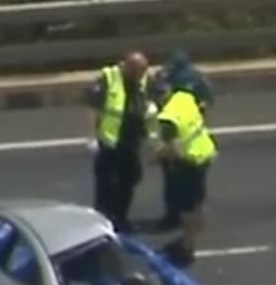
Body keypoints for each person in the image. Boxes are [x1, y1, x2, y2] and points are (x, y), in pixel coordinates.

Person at [84, 52, 152, 233]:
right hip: (109, 141)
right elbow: (92, 107)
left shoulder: (144, 81)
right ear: (127, 67)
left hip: (131, 140)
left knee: (130, 178)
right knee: (106, 183)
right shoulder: (108, 78)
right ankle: (103, 220)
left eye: (142, 72)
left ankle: (121, 217)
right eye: (136, 72)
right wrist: (91, 136)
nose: (139, 76)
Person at [152, 82, 217, 267]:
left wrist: (157, 157)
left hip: (189, 162)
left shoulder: (167, 118)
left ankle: (188, 247)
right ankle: (190, 238)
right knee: (197, 202)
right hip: (204, 152)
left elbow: (173, 150)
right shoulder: (184, 97)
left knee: (187, 208)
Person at [151, 50, 213, 230]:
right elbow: (206, 105)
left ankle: (178, 222)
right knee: (196, 192)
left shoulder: (170, 113)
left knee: (177, 189)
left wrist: (159, 156)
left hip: (184, 155)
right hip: (201, 150)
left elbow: (172, 144)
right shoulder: (189, 95)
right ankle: (194, 219)